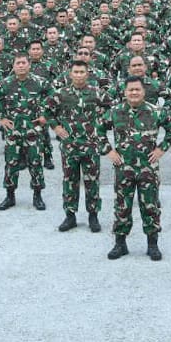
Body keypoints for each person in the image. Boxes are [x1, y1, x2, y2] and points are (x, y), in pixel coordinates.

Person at [103, 76, 171, 261]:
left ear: (143, 92)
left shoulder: (156, 111)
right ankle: (120, 243)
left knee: (150, 205)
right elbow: (97, 130)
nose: (134, 93)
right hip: (123, 167)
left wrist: (160, 149)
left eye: (137, 90)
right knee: (122, 206)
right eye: (130, 90)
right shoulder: (115, 111)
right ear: (125, 92)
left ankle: (152, 244)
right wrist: (109, 151)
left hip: (148, 168)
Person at [47, 61, 109, 232]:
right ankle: (70, 215)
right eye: (76, 71)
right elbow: (46, 111)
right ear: (70, 74)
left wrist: (100, 126)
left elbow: (111, 109)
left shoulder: (97, 93)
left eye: (82, 72)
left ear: (87, 74)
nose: (79, 75)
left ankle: (93, 215)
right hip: (70, 146)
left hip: (91, 145)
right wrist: (56, 127)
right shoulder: (61, 94)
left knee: (92, 181)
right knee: (70, 181)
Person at [0, 54, 50, 211]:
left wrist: (45, 115)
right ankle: (10, 196)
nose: (21, 66)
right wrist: (0, 118)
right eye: (18, 63)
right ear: (14, 66)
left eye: (24, 63)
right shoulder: (6, 83)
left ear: (29, 65)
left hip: (33, 131)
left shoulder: (40, 82)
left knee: (36, 163)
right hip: (13, 132)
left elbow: (54, 98)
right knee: (11, 164)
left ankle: (37, 196)